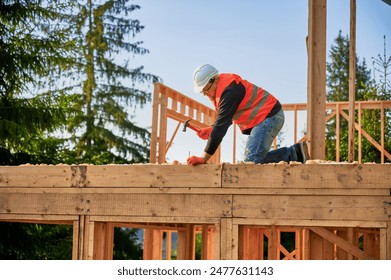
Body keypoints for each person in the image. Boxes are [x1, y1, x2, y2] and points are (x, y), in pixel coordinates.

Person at [186, 64, 310, 166]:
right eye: (203, 92)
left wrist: (204, 158)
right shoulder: (222, 90)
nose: (206, 94)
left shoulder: (230, 91)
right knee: (254, 159)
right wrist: (212, 127)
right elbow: (225, 120)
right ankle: (294, 153)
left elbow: (221, 127)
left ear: (214, 79)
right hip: (265, 118)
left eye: (206, 90)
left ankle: (293, 154)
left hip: (269, 116)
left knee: (251, 162)